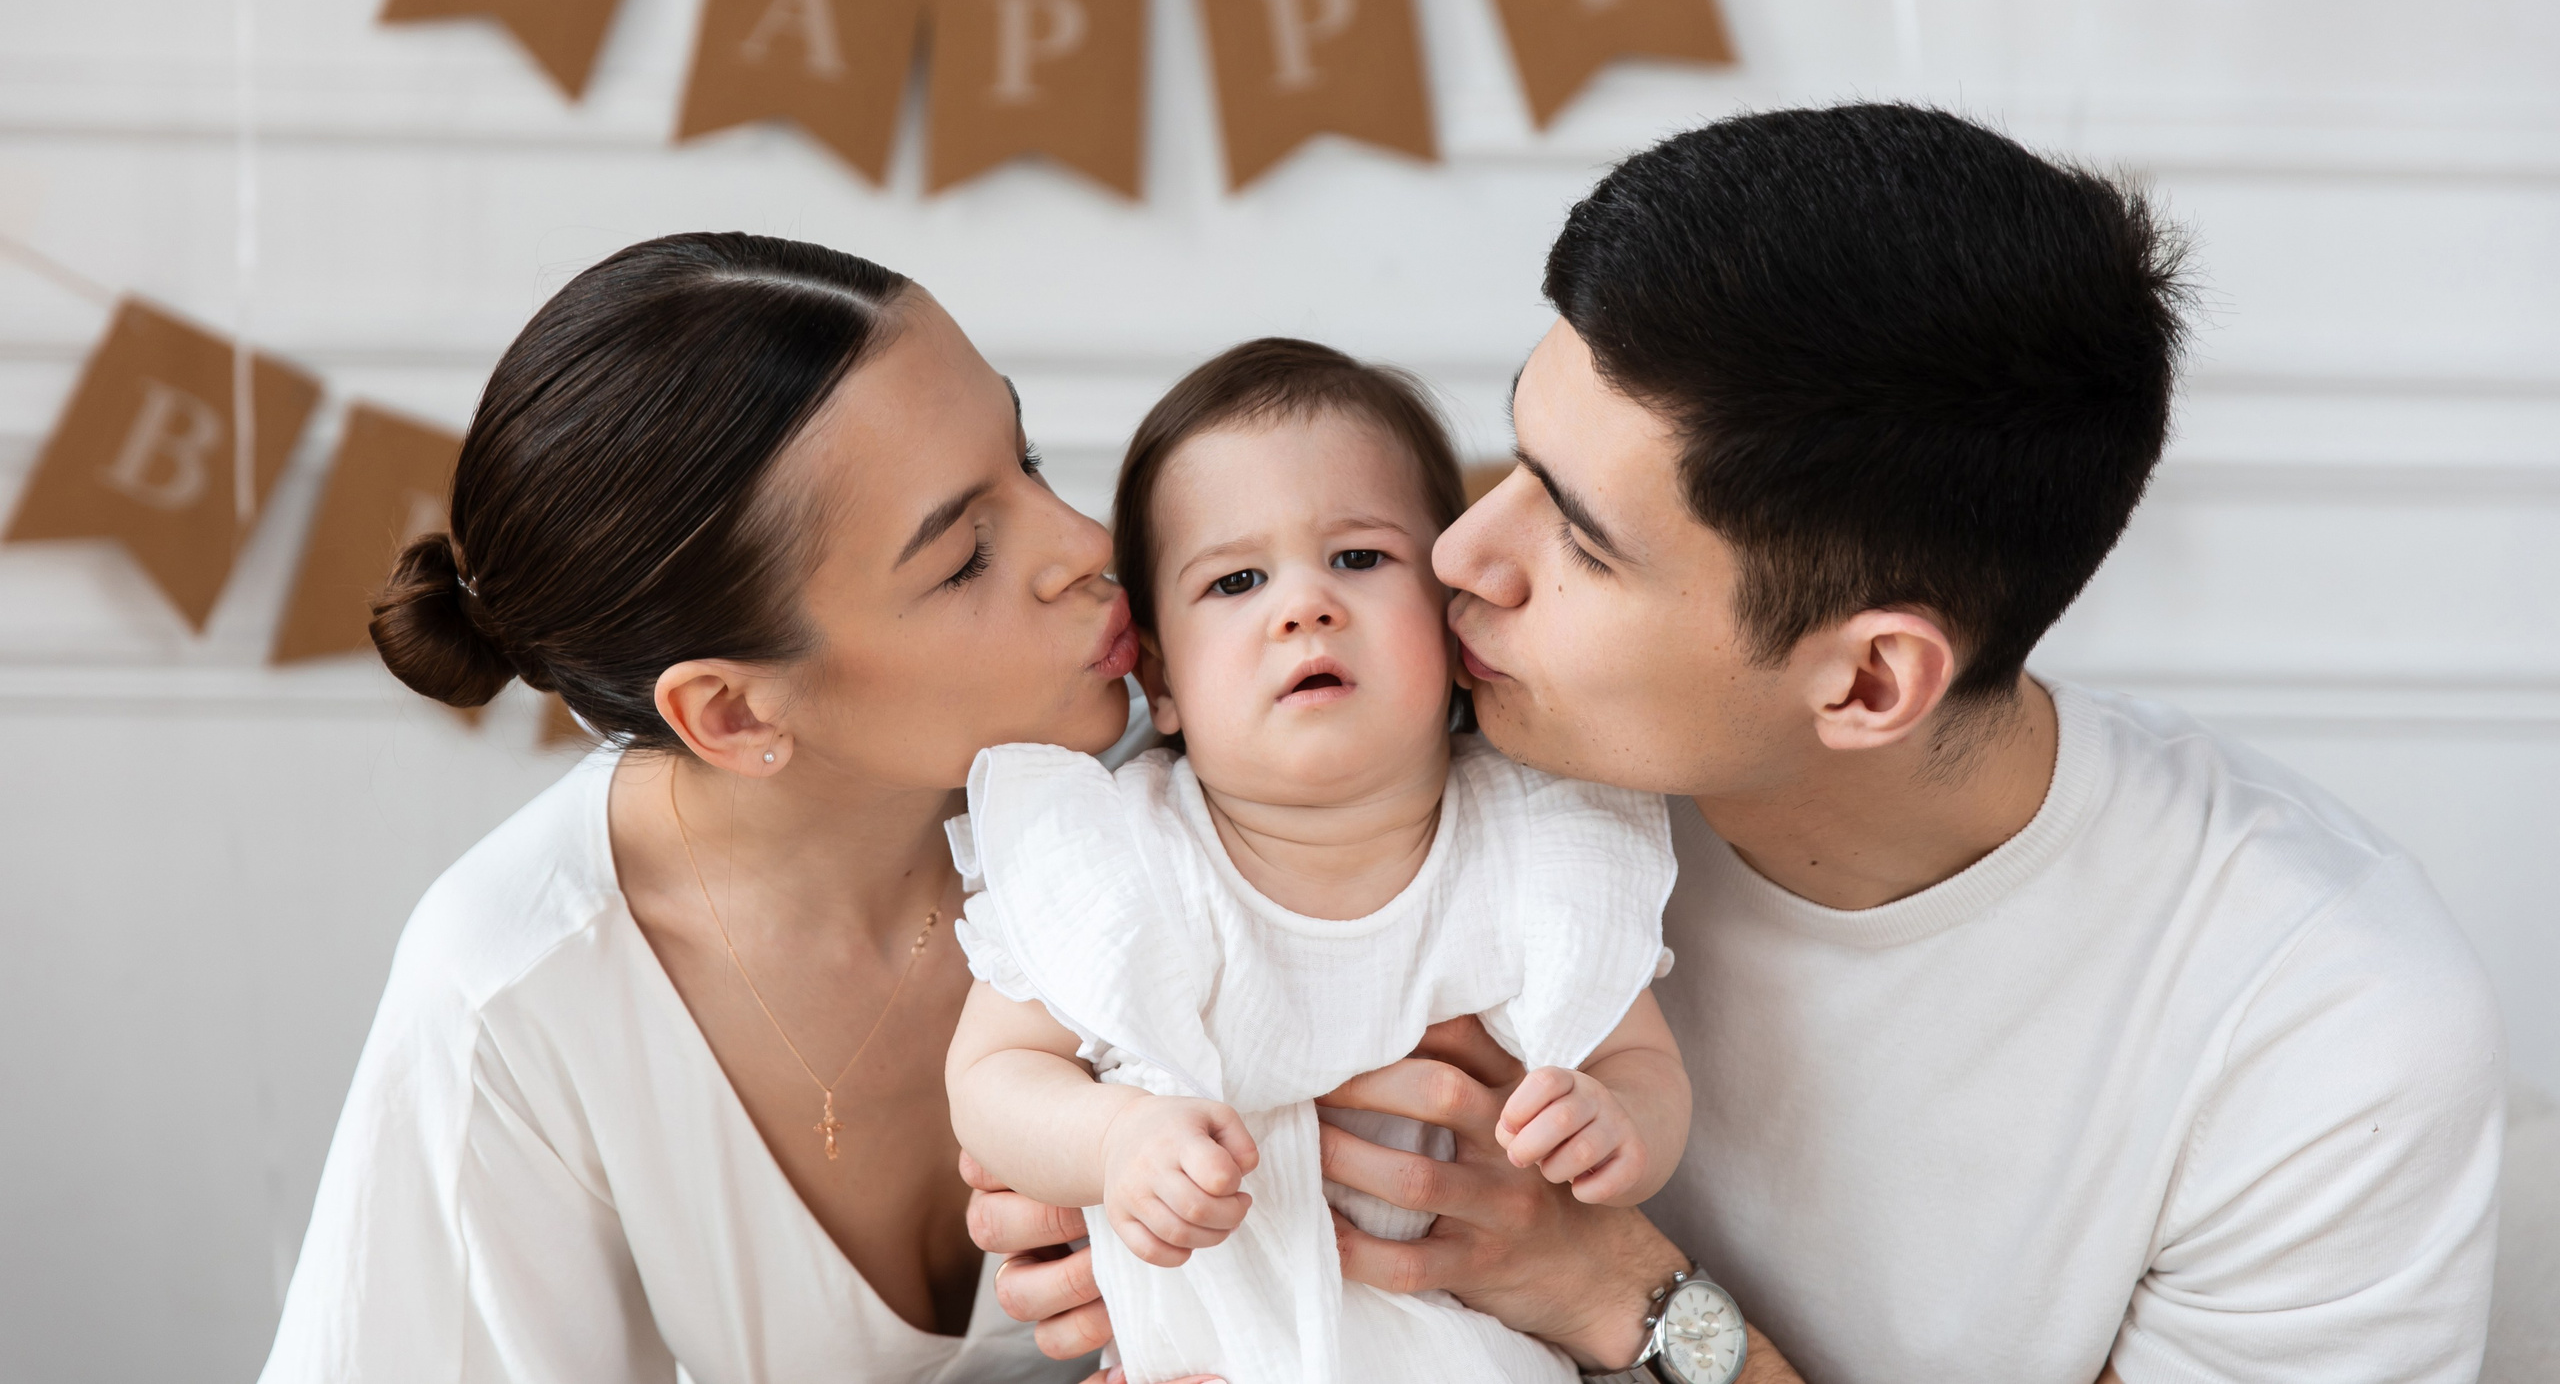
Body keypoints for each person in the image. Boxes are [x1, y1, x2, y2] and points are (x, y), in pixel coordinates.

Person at [970, 105, 2508, 1384]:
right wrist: (1115, 1198)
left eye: (1574, 538)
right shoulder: (1391, 788)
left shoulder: (2317, 1031)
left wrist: (1627, 1297)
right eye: (1513, 451)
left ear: (1865, 682)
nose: (1455, 556)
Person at [261, 233, 1138, 1383]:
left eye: (1027, 458)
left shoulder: (1212, 778)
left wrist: (1460, 1260)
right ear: (729, 714)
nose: (1091, 546)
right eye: (967, 555)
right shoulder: (512, 990)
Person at [943, 340, 1694, 1384]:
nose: (1304, 604)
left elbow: (1638, 1063)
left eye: (1358, 559)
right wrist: (1112, 1141)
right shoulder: (1125, 857)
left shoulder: (1533, 845)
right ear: (1158, 679)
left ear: (1452, 621)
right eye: (1237, 580)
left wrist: (1618, 1127)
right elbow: (990, 1079)